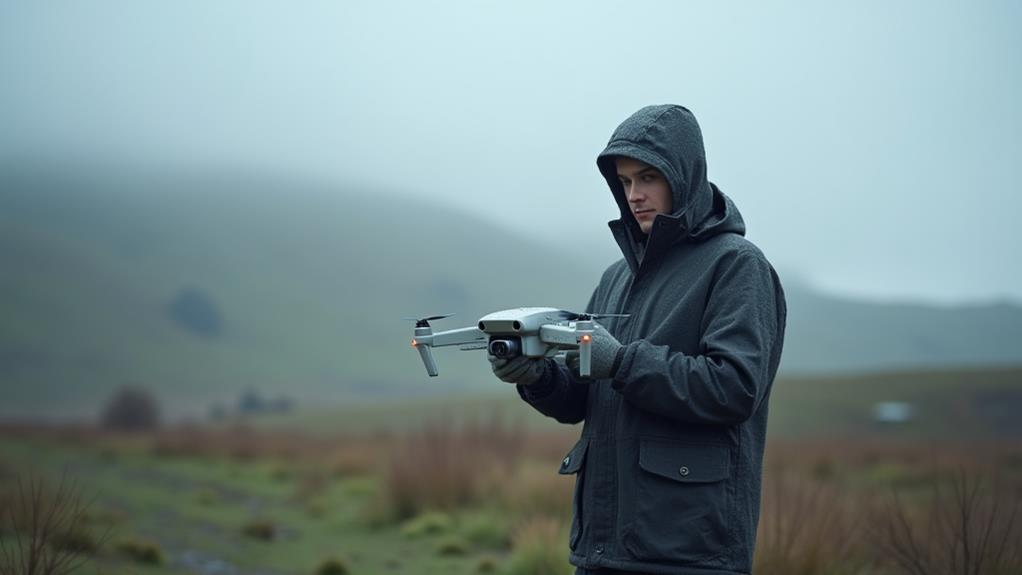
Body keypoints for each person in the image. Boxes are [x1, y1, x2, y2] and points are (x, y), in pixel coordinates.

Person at [488, 104, 786, 575]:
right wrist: (537, 377)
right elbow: (581, 398)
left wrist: (623, 363)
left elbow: (734, 387)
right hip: (603, 546)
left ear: (683, 176)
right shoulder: (616, 277)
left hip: (688, 550)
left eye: (648, 178)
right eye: (625, 182)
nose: (634, 195)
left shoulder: (736, 265)